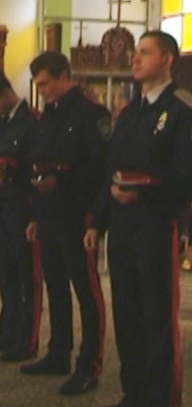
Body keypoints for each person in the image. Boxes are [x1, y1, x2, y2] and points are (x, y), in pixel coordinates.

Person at [85, 31, 192, 407]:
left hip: (155, 225)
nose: (135, 58)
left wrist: (146, 196)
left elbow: (185, 175)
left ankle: (162, 398)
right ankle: (135, 393)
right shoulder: (130, 112)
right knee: (127, 313)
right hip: (123, 226)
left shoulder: (180, 111)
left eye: (145, 52)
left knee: (156, 315)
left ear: (167, 60)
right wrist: (97, 221)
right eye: (136, 52)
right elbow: (111, 169)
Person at [20, 51, 109, 396]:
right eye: (38, 85)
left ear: (64, 77)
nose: (42, 91)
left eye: (46, 84)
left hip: (77, 215)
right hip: (49, 213)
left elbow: (99, 169)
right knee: (55, 285)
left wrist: (94, 218)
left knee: (85, 290)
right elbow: (38, 162)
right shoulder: (47, 116)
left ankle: (89, 365)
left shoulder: (91, 114)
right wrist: (34, 214)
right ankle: (58, 352)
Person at [0, 71, 42, 362]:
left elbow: (35, 167)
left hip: (22, 206)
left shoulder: (31, 122)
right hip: (3, 205)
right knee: (6, 272)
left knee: (26, 274)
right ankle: (8, 331)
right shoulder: (2, 124)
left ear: (7, 94)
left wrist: (35, 215)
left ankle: (26, 340)